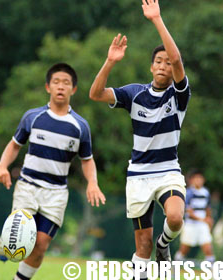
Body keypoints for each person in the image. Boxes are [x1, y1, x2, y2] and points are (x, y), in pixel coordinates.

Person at [88, 0, 190, 278]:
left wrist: (157, 19)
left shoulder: (178, 96)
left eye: (168, 63)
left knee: (175, 218)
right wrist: (109, 62)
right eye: (158, 61)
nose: (164, 66)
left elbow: (178, 59)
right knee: (141, 247)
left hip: (168, 170)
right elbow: (95, 94)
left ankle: (164, 244)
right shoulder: (135, 94)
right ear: (151, 67)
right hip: (138, 174)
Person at [0, 63, 105, 280]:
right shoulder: (33, 117)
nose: (61, 87)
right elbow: (15, 145)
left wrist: (93, 182)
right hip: (28, 186)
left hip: (55, 193)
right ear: (48, 87)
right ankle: (8, 240)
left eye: (66, 83)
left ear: (73, 89)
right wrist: (2, 166)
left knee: (41, 245)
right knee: (20, 239)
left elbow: (87, 160)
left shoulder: (80, 126)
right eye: (56, 82)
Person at [174, 170, 215, 263]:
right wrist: (203, 219)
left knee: (208, 248)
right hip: (191, 225)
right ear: (191, 180)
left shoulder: (205, 192)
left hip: (202, 225)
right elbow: (188, 212)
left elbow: (208, 208)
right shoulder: (189, 193)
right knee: (184, 248)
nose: (199, 180)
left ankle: (213, 272)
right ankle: (175, 267)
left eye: (200, 178)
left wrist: (209, 220)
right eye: (196, 178)